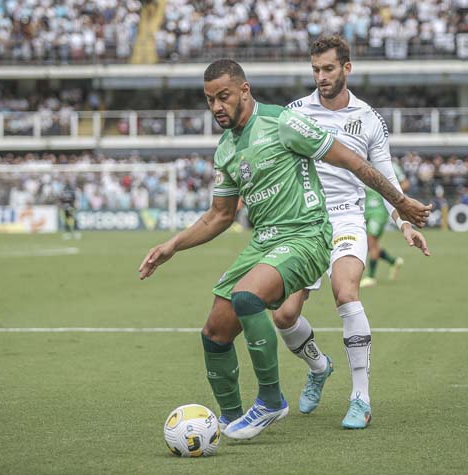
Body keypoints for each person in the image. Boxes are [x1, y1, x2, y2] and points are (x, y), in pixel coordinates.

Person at [139, 59, 431, 441]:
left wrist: (401, 203)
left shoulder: (282, 122)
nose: (216, 108)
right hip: (264, 242)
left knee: (249, 298)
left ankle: (272, 400)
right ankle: (226, 419)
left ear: (245, 89)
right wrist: (172, 246)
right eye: (209, 100)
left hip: (307, 235)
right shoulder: (226, 149)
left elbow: (353, 161)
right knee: (214, 331)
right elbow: (220, 216)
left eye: (223, 97)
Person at [274, 35, 430, 430]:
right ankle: (319, 367)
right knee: (284, 315)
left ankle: (360, 397)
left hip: (346, 218)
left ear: (347, 67)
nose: (321, 76)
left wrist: (404, 222)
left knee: (346, 292)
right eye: (315, 69)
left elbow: (386, 178)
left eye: (328, 68)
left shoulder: (369, 119)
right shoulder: (295, 113)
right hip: (304, 221)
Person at [359, 161, 411, 288]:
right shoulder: (360, 162)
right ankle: (393, 261)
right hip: (364, 210)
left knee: (372, 242)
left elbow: (405, 184)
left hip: (379, 211)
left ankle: (371, 277)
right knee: (370, 244)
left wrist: (388, 190)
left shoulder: (390, 165)